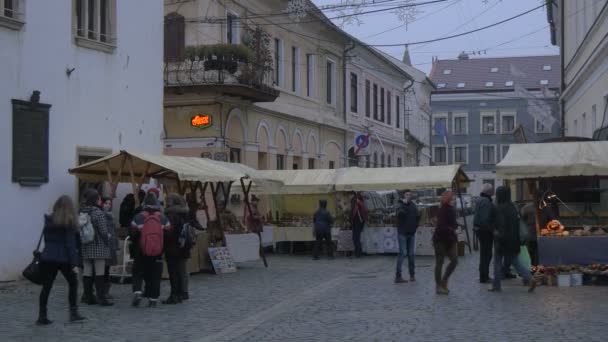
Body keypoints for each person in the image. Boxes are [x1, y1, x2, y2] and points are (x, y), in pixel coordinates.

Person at [37, 195, 85, 325]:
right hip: (64, 258)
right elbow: (71, 245)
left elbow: (47, 240)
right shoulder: (69, 222)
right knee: (73, 283)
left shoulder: (49, 220)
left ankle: (42, 316)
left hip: (48, 257)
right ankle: (73, 313)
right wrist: (75, 263)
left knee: (46, 287)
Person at [489, 186, 537, 293]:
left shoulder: (499, 208)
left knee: (497, 262)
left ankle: (496, 285)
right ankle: (530, 278)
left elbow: (500, 225)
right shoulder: (513, 207)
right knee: (516, 262)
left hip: (502, 240)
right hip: (514, 240)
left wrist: (496, 232)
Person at [130, 192, 171, 307]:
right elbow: (169, 234)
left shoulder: (139, 216)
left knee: (137, 271)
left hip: (141, 250)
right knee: (155, 275)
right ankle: (153, 299)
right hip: (157, 251)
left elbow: (132, 233)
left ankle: (138, 291)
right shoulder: (162, 217)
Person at [80, 189, 113, 306]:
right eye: (99, 198)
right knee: (100, 271)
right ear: (95, 199)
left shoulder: (82, 212)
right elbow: (103, 231)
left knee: (87, 271)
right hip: (98, 245)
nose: (100, 201)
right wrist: (107, 239)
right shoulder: (98, 213)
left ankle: (88, 296)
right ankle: (101, 297)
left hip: (85, 244)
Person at [163, 193, 192, 304]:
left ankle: (174, 295)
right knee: (181, 271)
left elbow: (169, 234)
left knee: (173, 273)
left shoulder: (171, 215)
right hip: (183, 246)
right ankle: (181, 293)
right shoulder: (184, 213)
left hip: (173, 247)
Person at [433, 191, 459, 295]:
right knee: (439, 263)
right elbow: (441, 226)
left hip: (450, 239)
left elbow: (453, 223)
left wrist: (458, 226)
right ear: (448, 199)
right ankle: (438, 286)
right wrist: (453, 230)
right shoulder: (442, 210)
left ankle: (444, 280)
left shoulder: (452, 209)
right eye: (453, 198)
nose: (454, 200)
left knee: (454, 261)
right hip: (440, 240)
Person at [473, 184, 496, 284]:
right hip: (485, 231)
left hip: (480, 230)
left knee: (484, 253)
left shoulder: (479, 199)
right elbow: (485, 219)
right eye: (492, 191)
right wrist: (492, 229)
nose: (493, 192)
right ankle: (484, 276)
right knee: (487, 254)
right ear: (489, 192)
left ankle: (483, 275)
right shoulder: (486, 202)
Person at [395, 190, 419, 283]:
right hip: (402, 233)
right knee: (402, 254)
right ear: (403, 196)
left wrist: (415, 227)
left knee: (411, 255)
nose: (409, 196)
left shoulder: (413, 205)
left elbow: (417, 216)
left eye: (410, 194)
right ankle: (398, 276)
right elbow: (399, 214)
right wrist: (403, 205)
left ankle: (412, 275)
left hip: (411, 233)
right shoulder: (399, 205)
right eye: (407, 194)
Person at [101, 196, 119, 300]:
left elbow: (113, 231)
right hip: (104, 245)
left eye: (109, 203)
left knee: (107, 269)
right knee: (103, 268)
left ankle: (106, 290)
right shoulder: (102, 215)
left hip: (110, 244)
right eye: (106, 203)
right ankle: (103, 290)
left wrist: (115, 244)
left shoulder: (111, 216)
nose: (108, 205)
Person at [520, 201, 538, 266]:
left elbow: (522, 220)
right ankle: (535, 266)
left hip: (530, 233)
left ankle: (533, 266)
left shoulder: (526, 208)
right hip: (536, 234)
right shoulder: (545, 207)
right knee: (536, 252)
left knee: (531, 252)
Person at [351, 192, 368, 258]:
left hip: (357, 222)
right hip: (358, 222)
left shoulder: (357, 202)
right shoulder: (358, 202)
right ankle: (358, 251)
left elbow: (355, 213)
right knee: (356, 238)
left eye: (350, 195)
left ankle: (358, 252)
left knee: (356, 238)